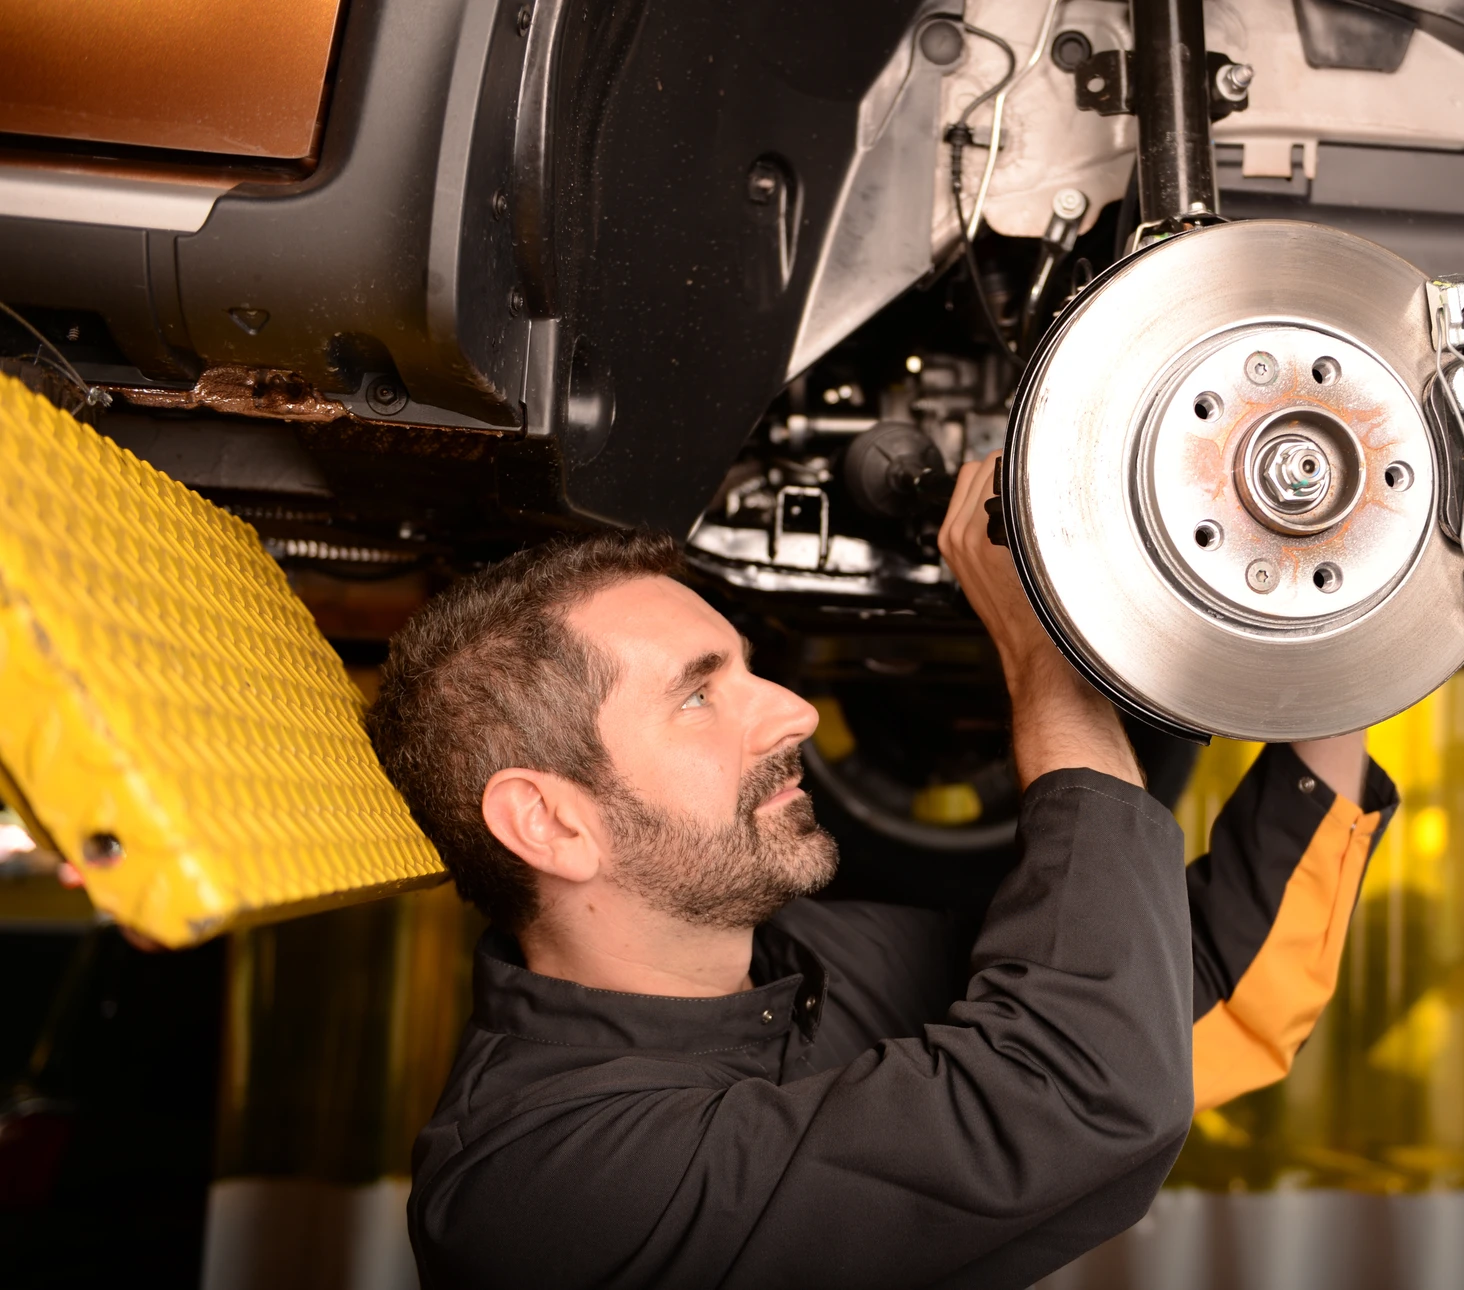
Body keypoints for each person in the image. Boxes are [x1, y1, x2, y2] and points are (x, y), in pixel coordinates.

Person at [366, 457, 1397, 1289]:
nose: (795, 712)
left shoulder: (794, 957)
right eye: (698, 695)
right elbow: (1089, 1086)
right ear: (548, 822)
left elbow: (1171, 986)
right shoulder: (534, 1193)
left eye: (748, 669)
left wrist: (1330, 604)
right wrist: (1041, 648)